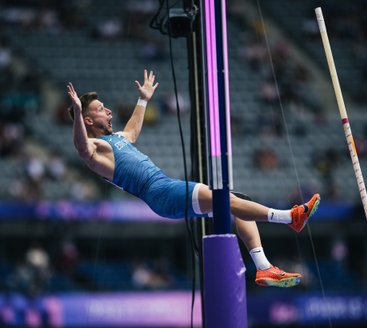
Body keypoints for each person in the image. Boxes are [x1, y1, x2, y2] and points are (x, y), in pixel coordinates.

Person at [66, 69, 320, 288]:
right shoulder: (95, 149)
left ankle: (264, 267)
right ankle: (289, 218)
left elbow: (131, 131)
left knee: (238, 202)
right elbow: (81, 147)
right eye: (100, 109)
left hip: (165, 188)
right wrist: (77, 112)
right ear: (88, 119)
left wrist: (143, 101)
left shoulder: (117, 139)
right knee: (227, 200)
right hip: (160, 193)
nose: (108, 110)